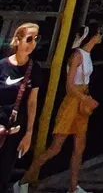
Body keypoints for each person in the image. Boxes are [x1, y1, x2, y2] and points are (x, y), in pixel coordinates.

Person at [24, 22, 102, 193]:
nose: (100, 36)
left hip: (82, 104)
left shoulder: (87, 55)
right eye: (99, 33)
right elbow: (69, 85)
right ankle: (24, 180)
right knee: (55, 147)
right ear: (92, 36)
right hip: (72, 103)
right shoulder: (77, 56)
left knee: (79, 146)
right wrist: (85, 98)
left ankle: (73, 186)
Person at [0, 23, 43, 193]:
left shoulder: (35, 70)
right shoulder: (2, 65)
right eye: (29, 39)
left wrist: (29, 133)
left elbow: (32, 102)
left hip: (15, 130)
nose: (32, 43)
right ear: (17, 40)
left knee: (4, 174)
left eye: (36, 39)